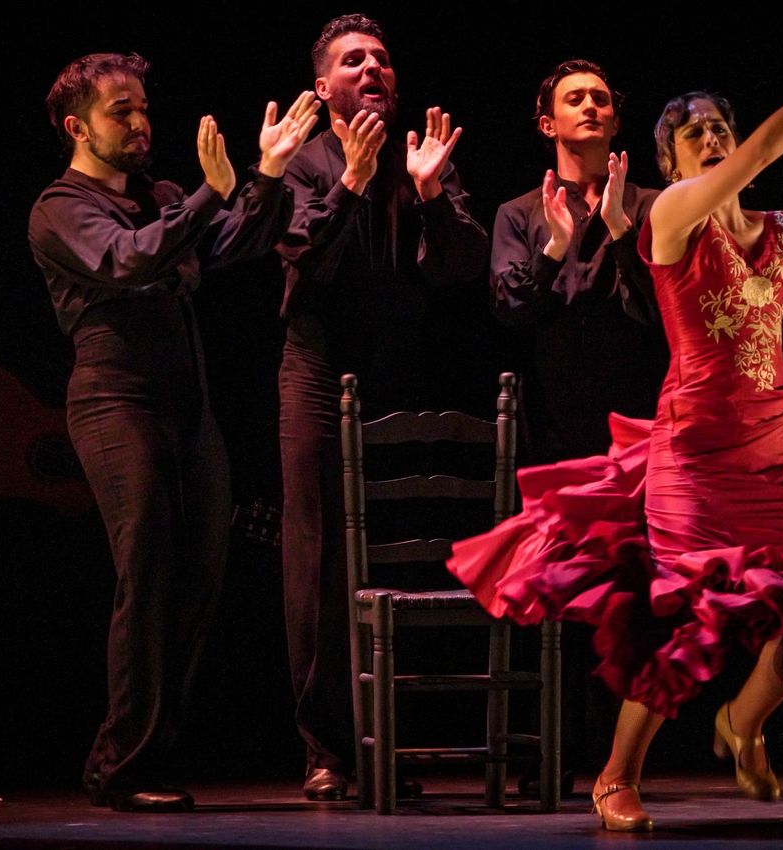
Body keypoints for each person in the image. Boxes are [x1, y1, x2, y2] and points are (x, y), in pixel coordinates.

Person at [448, 68, 783, 831]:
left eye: (720, 128)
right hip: (694, 453)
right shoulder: (671, 215)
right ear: (670, 163)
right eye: (693, 132)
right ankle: (616, 777)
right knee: (690, 622)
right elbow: (758, 157)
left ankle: (744, 724)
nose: (713, 139)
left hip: (776, 453)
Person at [28, 52, 318, 812]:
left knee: (199, 577)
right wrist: (209, 194)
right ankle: (119, 764)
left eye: (142, 107)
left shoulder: (157, 196)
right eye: (120, 110)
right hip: (114, 402)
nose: (139, 121)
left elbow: (229, 244)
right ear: (76, 127)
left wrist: (266, 176)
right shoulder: (60, 207)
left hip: (188, 407)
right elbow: (125, 262)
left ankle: (155, 752)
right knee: (149, 570)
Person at [275, 14, 489, 801]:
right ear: (324, 86)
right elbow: (306, 256)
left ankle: (386, 740)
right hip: (318, 369)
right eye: (353, 60)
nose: (372, 68)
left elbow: (462, 268)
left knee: (399, 555)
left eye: (382, 59)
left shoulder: (418, 157)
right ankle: (328, 748)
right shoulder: (300, 163)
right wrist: (353, 181)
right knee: (322, 556)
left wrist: (431, 193)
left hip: (396, 373)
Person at [491, 59, 668, 463]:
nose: (590, 106)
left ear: (615, 123)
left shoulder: (650, 206)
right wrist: (554, 248)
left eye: (600, 100)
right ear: (548, 124)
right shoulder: (519, 212)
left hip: (640, 410)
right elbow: (508, 309)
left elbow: (665, 307)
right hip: (551, 417)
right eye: (575, 99)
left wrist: (621, 232)